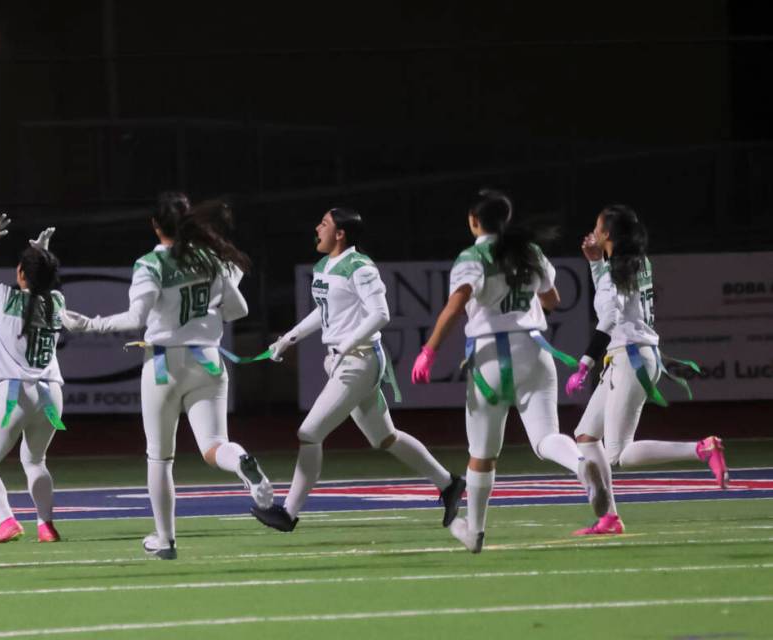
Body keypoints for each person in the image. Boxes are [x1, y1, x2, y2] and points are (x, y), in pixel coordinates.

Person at [63, 194, 273, 560]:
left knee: (160, 458)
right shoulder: (210, 258)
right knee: (214, 445)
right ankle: (240, 461)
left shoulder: (150, 262)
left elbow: (134, 319)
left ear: (155, 225)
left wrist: (89, 324)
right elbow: (238, 310)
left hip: (163, 363)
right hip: (208, 359)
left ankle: (166, 540)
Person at [411, 189, 608, 554]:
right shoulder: (529, 251)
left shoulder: (472, 256)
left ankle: (477, 532)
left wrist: (429, 350)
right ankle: (580, 465)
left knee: (482, 454)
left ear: (474, 220)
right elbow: (553, 301)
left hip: (490, 356)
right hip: (535, 350)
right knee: (546, 437)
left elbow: (456, 306)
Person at [250, 207, 465, 534]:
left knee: (309, 433)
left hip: (360, 360)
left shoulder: (360, 267)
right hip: (348, 358)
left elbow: (380, 314)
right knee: (385, 438)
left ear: (340, 234)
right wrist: (288, 338)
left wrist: (345, 347)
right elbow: (323, 313)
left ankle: (288, 514)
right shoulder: (324, 266)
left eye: (324, 223)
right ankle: (448, 483)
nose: (317, 227)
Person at [566, 205, 729, 535]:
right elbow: (615, 304)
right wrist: (596, 263)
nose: (593, 231)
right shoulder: (634, 263)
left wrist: (584, 363)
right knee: (585, 436)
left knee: (619, 453)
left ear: (608, 234)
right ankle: (609, 517)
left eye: (597, 227)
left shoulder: (619, 268)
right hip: (632, 355)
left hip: (629, 359)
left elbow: (610, 318)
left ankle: (701, 449)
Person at [0, 213, 67, 544]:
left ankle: (7, 521)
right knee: (35, 460)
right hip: (52, 394)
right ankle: (46, 525)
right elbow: (49, 285)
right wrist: (43, 258)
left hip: (16, 393)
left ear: (21, 273)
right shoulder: (57, 302)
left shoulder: (5, 297)